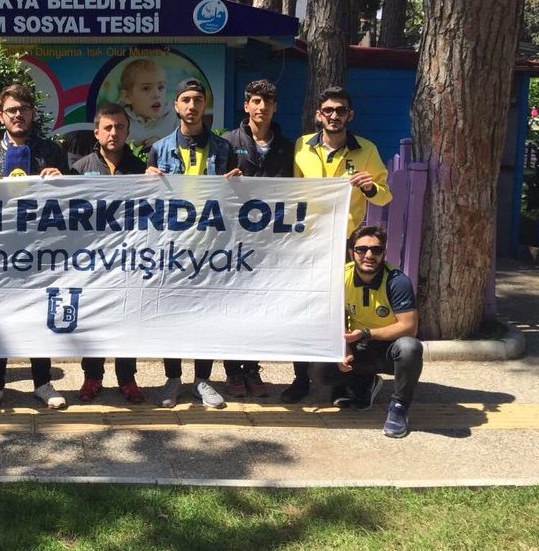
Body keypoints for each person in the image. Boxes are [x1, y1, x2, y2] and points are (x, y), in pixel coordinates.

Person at [289, 86, 393, 402]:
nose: (334, 115)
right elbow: (292, 191)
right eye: (329, 110)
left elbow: (385, 195)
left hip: (347, 241)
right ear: (319, 115)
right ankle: (300, 379)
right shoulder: (302, 146)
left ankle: (344, 378)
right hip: (309, 240)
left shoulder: (366, 149)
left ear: (350, 115)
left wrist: (370, 187)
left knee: (344, 309)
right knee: (305, 308)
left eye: (341, 110)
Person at [0, 83, 68, 413]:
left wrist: (61, 179)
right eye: (11, 110)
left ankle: (42, 382)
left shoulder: (51, 151)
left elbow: (72, 199)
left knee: (38, 314)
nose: (18, 115)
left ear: (32, 114)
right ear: (1, 116)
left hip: (40, 248)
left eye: (23, 109)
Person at [145, 78, 240, 409]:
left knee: (205, 314)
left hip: (210, 247)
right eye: (186, 99)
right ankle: (173, 379)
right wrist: (146, 181)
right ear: (176, 105)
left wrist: (238, 186)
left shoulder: (223, 149)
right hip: (171, 247)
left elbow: (234, 202)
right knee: (171, 314)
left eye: (198, 100)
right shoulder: (159, 149)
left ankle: (202, 380)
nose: (192, 105)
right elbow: (148, 203)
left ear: (204, 105)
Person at [219, 79, 295, 399]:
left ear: (275, 107)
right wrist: (223, 182)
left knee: (258, 305)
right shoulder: (227, 142)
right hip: (233, 240)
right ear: (246, 105)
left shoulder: (287, 147)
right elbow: (212, 188)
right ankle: (233, 371)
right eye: (255, 101)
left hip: (268, 241)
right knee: (232, 306)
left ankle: (252, 367)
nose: (261, 107)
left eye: (267, 102)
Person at [70, 102, 146, 404]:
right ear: (97, 132)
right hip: (90, 261)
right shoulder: (79, 168)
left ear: (128, 131)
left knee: (127, 318)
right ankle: (92, 376)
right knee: (93, 319)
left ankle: (127, 378)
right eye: (108, 127)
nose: (114, 133)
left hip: (128, 260)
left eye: (120, 127)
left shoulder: (141, 170)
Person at [319, 225, 422, 438]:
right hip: (357, 343)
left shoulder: (397, 281)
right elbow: (332, 316)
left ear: (384, 253)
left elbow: (409, 326)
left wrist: (366, 333)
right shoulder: (340, 277)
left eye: (376, 250)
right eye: (361, 249)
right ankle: (362, 383)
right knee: (319, 370)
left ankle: (399, 408)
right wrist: (342, 346)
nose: (368, 255)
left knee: (410, 347)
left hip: (388, 347)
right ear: (351, 253)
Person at [118, 58, 178, 149]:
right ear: (127, 97)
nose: (156, 94)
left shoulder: (175, 118)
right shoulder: (120, 120)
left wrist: (161, 145)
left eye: (161, 87)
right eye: (146, 88)